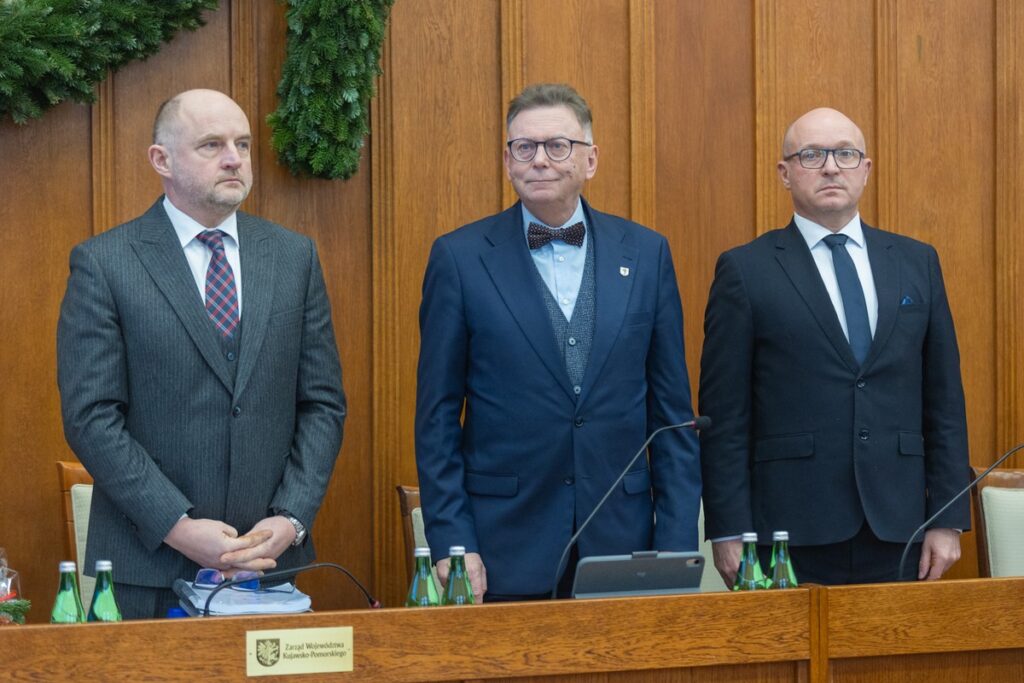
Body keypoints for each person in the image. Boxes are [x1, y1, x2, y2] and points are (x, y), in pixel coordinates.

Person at [56, 89, 346, 618]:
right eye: (211, 145)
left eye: (243, 143)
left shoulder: (293, 256)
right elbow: (91, 417)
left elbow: (322, 403)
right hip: (146, 574)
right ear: (161, 160)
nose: (234, 158)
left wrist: (290, 520)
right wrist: (179, 527)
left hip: (271, 568)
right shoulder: (105, 263)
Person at [415, 83, 701, 602]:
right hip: (503, 547)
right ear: (507, 161)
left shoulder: (647, 254)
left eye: (558, 146)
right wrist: (454, 544)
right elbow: (436, 420)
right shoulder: (458, 259)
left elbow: (673, 419)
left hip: (625, 547)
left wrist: (677, 547)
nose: (540, 160)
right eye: (525, 147)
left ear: (591, 159)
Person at [699, 107, 969, 586]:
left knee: (893, 662)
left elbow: (944, 401)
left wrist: (948, 517)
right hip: (788, 532)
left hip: (901, 528)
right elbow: (725, 416)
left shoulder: (916, 262)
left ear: (866, 169)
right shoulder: (746, 270)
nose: (830, 167)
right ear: (785, 173)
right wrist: (728, 530)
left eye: (845, 154)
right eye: (811, 155)